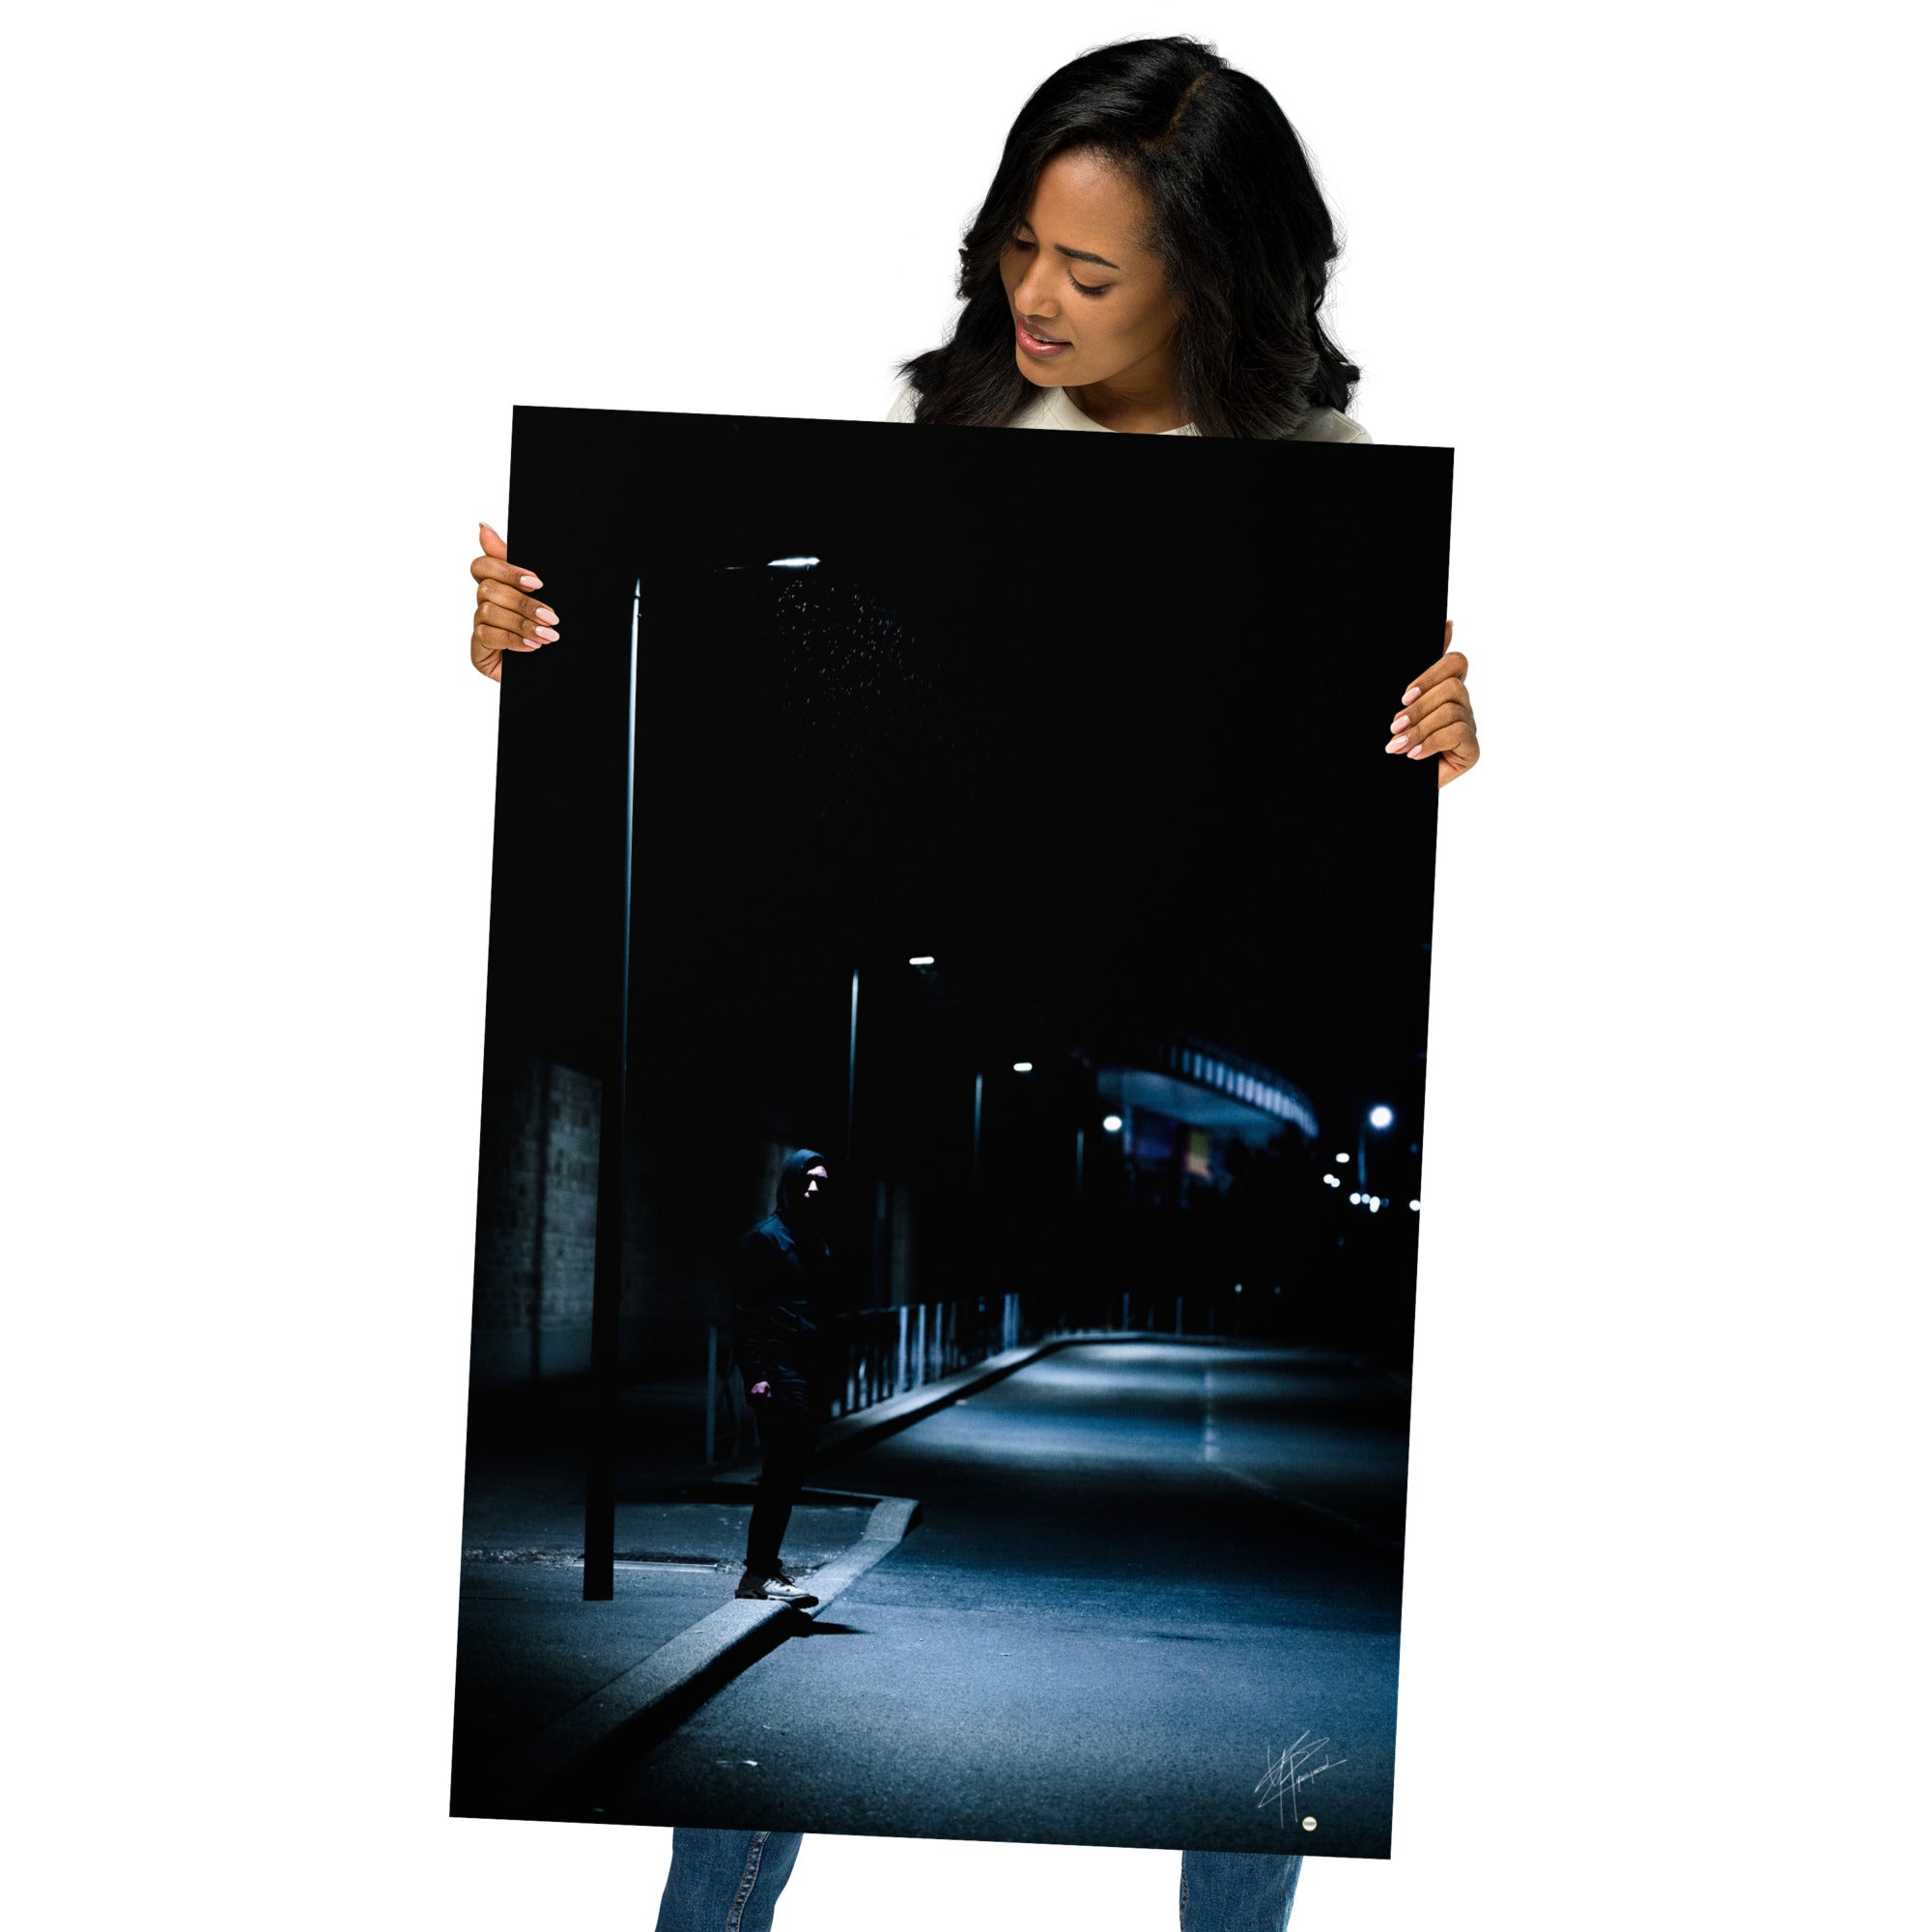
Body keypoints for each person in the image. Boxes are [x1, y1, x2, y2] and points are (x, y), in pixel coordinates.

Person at [466, 32, 1480, 1932]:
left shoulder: (1350, 500)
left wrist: (1465, 730)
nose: (1033, 298)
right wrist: (505, 636)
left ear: (1222, 282)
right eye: (1020, 244)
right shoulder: (939, 435)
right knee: (705, 1855)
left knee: (1270, 1818)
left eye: (1090, 274)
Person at [730, 1150, 837, 1609]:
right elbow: (745, 1313)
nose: (814, 1188)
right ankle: (758, 1573)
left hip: (808, 1374)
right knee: (779, 1473)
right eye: (806, 1180)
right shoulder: (765, 1241)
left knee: (789, 1475)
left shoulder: (813, 1241)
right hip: (779, 1372)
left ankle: (765, 1568)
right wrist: (755, 1375)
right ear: (790, 1183)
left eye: (821, 1181)